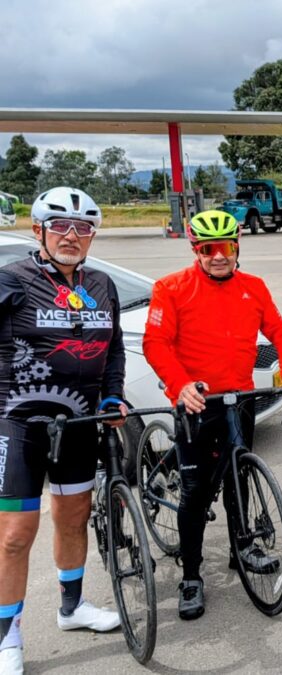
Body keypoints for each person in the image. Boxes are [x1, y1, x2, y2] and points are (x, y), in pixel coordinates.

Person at [142, 209, 282, 621]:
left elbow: (280, 330)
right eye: (208, 249)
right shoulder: (171, 288)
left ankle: (242, 546)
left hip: (239, 398)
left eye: (226, 248)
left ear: (237, 247)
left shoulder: (253, 287)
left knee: (239, 475)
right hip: (197, 402)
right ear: (195, 250)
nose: (218, 256)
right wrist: (180, 385)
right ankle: (191, 576)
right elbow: (156, 343)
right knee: (195, 493)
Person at [0, 187, 124, 672]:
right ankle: (7, 636)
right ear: (39, 230)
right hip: (19, 424)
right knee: (15, 535)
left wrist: (112, 394)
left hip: (80, 422)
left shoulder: (102, 284)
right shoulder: (12, 279)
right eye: (60, 226)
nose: (72, 236)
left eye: (83, 228)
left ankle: (72, 608)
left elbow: (114, 349)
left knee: (73, 518)